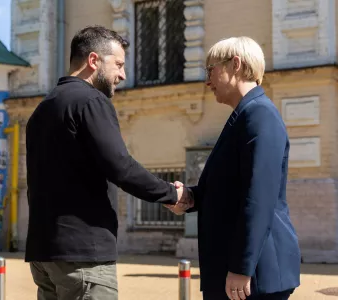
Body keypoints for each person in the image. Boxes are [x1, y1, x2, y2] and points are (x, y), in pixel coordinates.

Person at [25, 25, 191, 300]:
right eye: (118, 65)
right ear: (93, 61)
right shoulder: (90, 101)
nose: (122, 75)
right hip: (83, 255)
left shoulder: (44, 108)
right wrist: (173, 194)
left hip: (45, 253)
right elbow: (120, 166)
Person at [166, 37, 301, 300]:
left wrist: (242, 267)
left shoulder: (259, 115)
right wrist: (191, 198)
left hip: (255, 276)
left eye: (211, 70)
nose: (207, 81)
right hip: (241, 272)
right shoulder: (245, 114)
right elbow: (230, 188)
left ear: (235, 64)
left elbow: (258, 198)